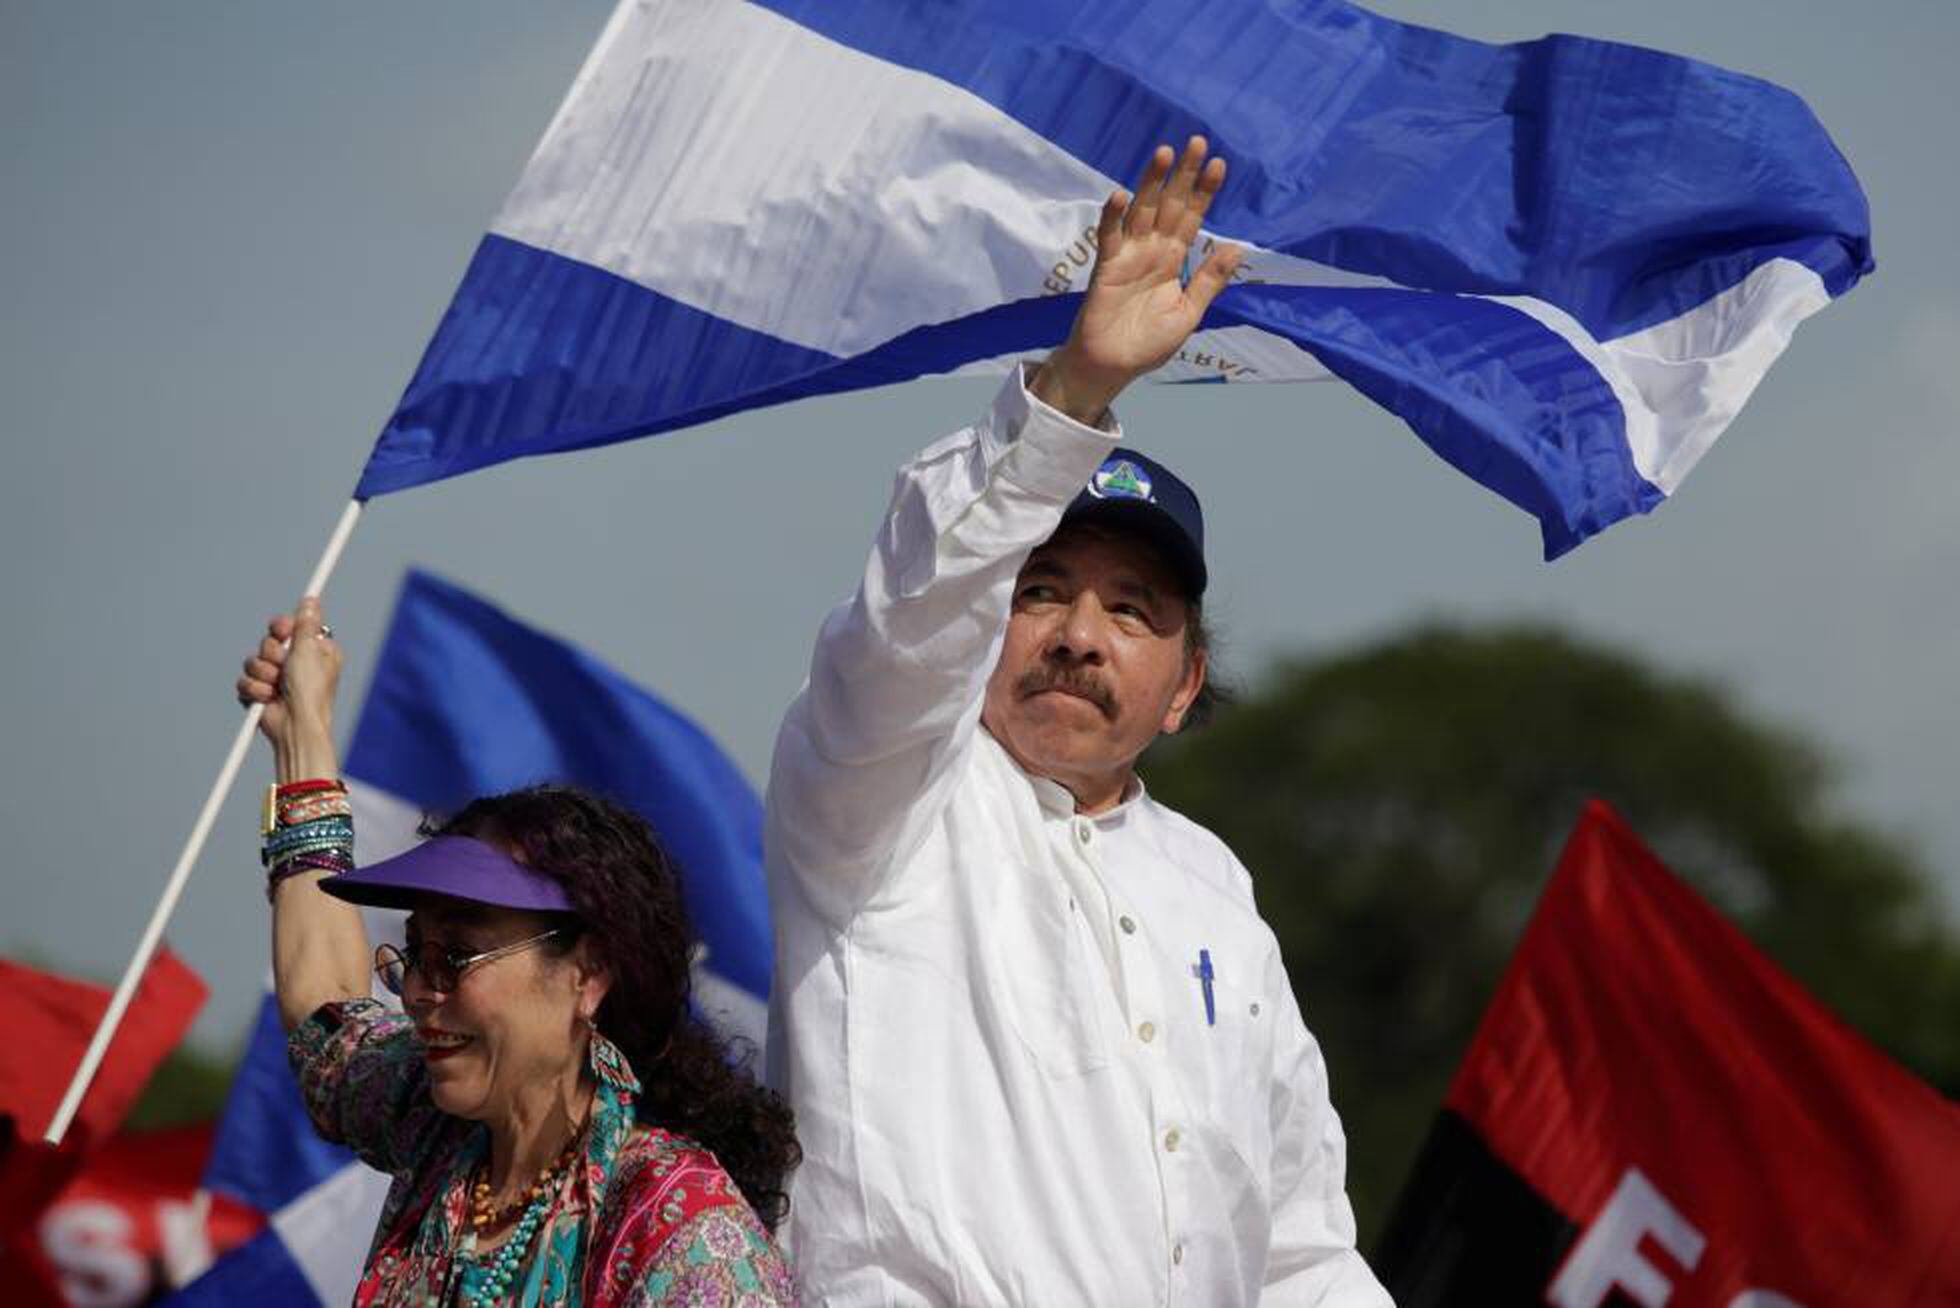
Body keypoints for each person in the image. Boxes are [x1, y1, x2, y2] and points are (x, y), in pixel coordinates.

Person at [765, 138, 1392, 1304]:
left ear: (1186, 682)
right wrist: (1075, 391)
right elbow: (912, 612)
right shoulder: (879, 793)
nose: (1077, 636)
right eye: (1041, 591)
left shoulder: (1212, 889)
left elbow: (1300, 1242)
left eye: (1131, 609)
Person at [235, 601, 798, 1306]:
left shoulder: (677, 1229)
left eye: (457, 958)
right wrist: (303, 739)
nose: (415, 992)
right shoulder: (437, 1127)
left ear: (588, 974)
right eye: (415, 954)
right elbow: (326, 1016)